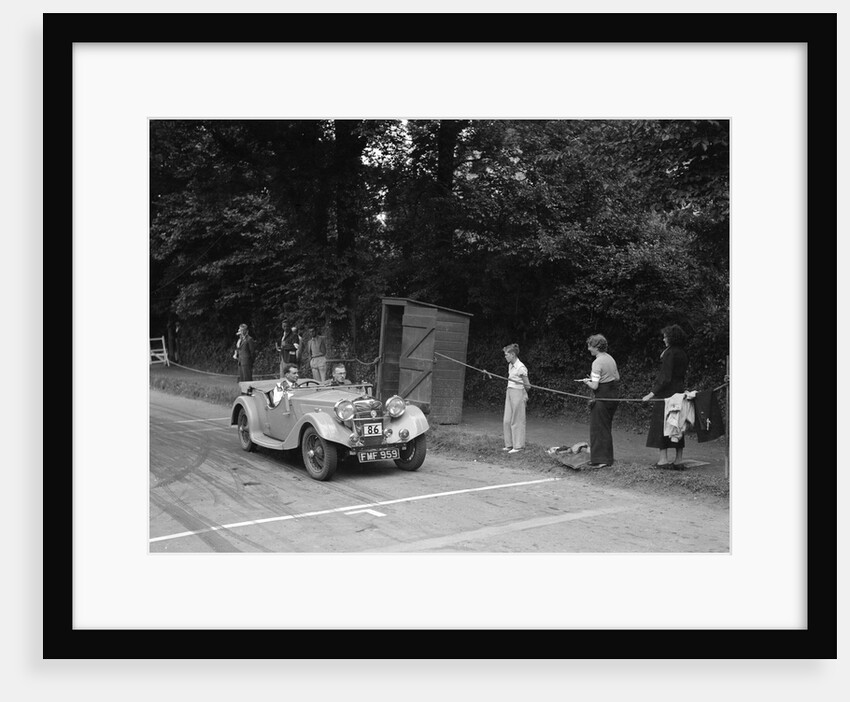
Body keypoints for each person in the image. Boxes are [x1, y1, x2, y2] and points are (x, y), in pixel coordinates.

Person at [642, 324, 689, 469]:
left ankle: (663, 459)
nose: (663, 339)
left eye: (665, 336)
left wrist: (651, 393)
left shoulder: (670, 353)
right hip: (679, 391)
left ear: (671, 338)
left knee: (662, 424)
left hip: (667, 394)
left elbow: (665, 377)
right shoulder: (683, 353)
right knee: (677, 424)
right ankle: (678, 459)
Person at [579, 334, 620, 468]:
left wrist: (587, 382)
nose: (588, 349)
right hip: (613, 396)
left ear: (596, 347)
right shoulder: (611, 358)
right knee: (605, 427)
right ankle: (607, 458)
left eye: (590, 346)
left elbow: (595, 386)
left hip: (602, 397)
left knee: (598, 428)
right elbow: (617, 377)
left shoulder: (597, 362)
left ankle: (600, 460)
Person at [501, 343, 530, 454]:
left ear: (512, 354)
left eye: (506, 354)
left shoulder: (521, 367)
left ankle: (518, 446)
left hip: (518, 392)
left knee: (517, 420)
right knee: (507, 419)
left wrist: (523, 394)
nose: (505, 356)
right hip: (509, 391)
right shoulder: (510, 365)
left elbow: (527, 385)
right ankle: (509, 444)